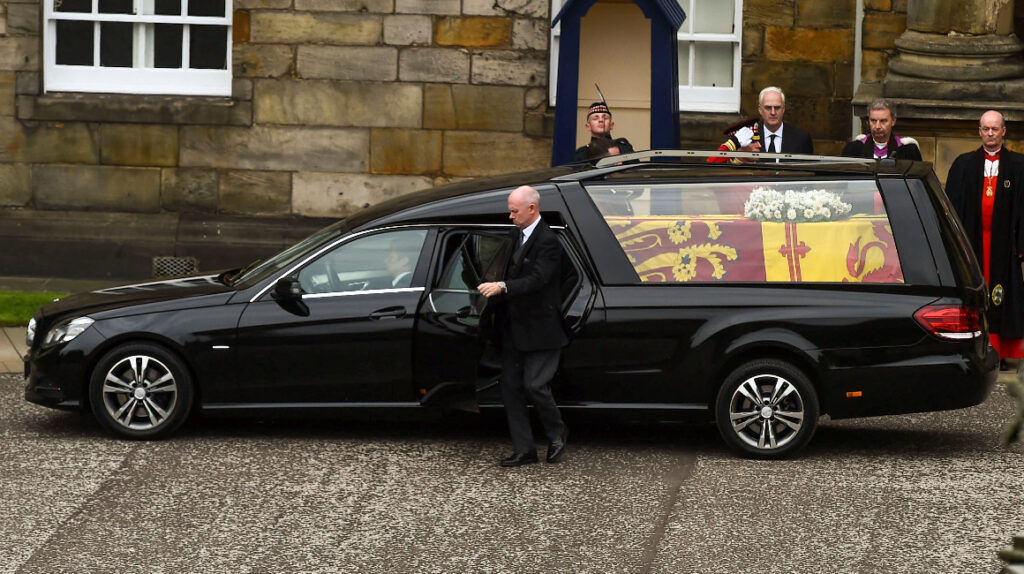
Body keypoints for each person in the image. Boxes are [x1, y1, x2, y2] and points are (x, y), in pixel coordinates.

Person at [478, 185, 570, 467]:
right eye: (510, 211)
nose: (510, 216)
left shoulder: (548, 241)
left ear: (532, 209)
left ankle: (557, 434)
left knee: (535, 385)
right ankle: (524, 449)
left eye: (514, 211)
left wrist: (502, 286)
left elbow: (538, 279)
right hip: (513, 328)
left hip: (541, 329)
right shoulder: (515, 234)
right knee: (510, 388)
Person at [945, 110, 1024, 367]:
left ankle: (999, 351)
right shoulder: (963, 164)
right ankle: (973, 348)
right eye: (985, 129)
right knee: (973, 296)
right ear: (979, 131)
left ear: (1003, 131)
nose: (989, 133)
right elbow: (951, 209)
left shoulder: (1018, 165)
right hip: (973, 244)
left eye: (994, 129)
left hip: (1004, 247)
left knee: (1002, 295)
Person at [841, 98, 922, 160]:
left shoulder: (908, 150)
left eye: (883, 121)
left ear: (893, 121)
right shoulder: (853, 149)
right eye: (873, 121)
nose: (877, 126)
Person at [756, 86, 813, 157]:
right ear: (760, 110)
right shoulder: (749, 138)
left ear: (783, 109)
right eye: (768, 108)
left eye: (777, 108)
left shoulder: (801, 138)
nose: (773, 112)